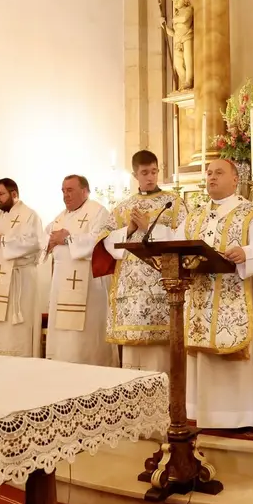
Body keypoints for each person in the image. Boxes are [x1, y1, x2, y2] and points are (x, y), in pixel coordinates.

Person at [145, 159, 253, 429]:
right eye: (208, 173)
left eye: (219, 173)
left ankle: (242, 414)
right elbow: (177, 244)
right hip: (200, 299)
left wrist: (246, 253)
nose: (211, 177)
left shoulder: (251, 214)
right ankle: (203, 411)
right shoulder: (195, 216)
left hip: (235, 295)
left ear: (235, 179)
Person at [94, 150, 187, 372]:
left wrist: (150, 229)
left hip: (161, 285)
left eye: (154, 172)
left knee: (159, 359)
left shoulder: (173, 203)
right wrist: (129, 229)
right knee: (132, 359)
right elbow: (104, 240)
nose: (150, 177)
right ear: (135, 174)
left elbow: (184, 238)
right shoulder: (124, 207)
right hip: (130, 291)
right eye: (145, 172)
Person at [43, 175, 115, 366]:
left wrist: (67, 239)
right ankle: (62, 366)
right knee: (64, 337)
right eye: (63, 191)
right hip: (61, 283)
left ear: (85, 191)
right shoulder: (60, 217)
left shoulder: (98, 212)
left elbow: (99, 242)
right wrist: (51, 241)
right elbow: (45, 239)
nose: (66, 195)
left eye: (70, 190)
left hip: (89, 285)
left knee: (85, 339)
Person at [0, 178, 44, 357]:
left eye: (0, 194)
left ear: (14, 194)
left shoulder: (29, 215)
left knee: (17, 330)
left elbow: (35, 243)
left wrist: (0, 239)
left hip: (19, 281)